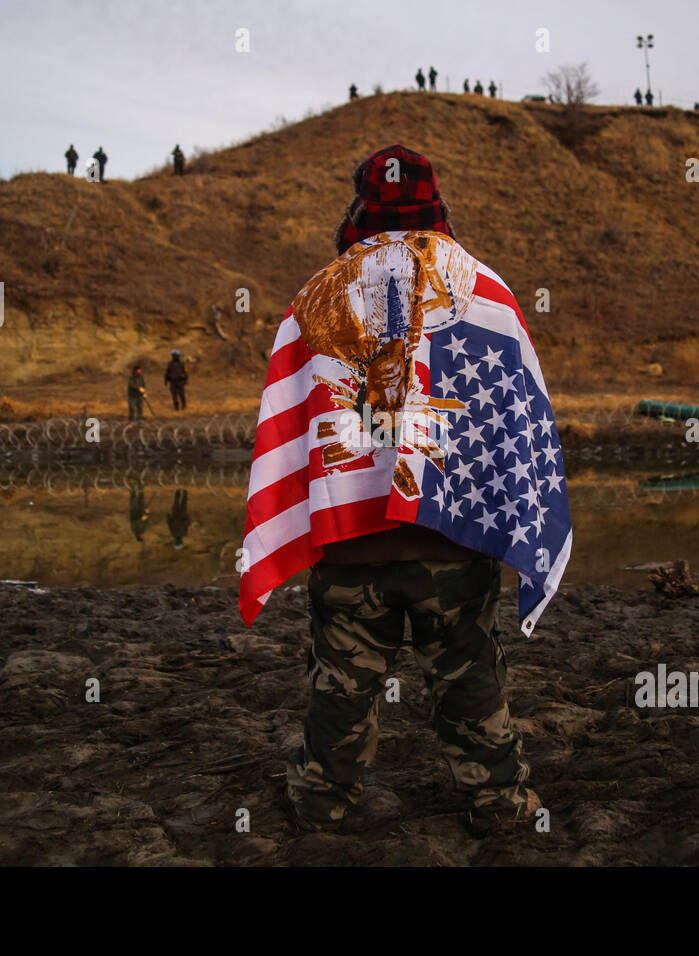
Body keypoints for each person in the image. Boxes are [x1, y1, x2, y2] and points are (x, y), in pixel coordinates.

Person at [240, 144, 573, 836]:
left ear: (361, 203)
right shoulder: (488, 293)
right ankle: (500, 803)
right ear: (436, 203)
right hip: (452, 542)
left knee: (340, 681)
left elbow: (289, 423)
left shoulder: (314, 298)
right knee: (468, 672)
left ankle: (324, 797)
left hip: (350, 542)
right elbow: (520, 425)